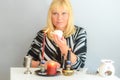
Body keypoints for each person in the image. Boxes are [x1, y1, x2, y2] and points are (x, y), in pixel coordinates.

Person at [26, 0, 87, 70]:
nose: (59, 18)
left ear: (69, 15)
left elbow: (79, 66)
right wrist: (43, 64)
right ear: (50, 16)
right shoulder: (43, 34)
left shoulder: (79, 33)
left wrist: (64, 47)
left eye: (63, 13)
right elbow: (27, 62)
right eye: (55, 13)